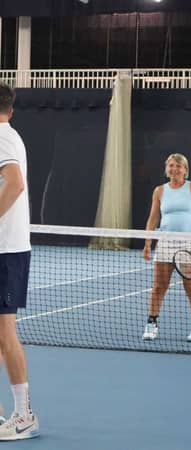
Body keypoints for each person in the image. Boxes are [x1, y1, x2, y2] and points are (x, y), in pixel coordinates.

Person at [0, 83, 39, 440]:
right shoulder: (8, 135)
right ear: (11, 110)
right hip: (6, 248)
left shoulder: (2, 139)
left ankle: (24, 414)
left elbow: (14, 184)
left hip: (6, 250)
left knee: (5, 331)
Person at [142, 153, 191, 342]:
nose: (175, 169)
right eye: (171, 166)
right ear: (167, 169)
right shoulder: (159, 191)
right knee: (158, 287)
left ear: (185, 170)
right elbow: (153, 218)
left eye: (179, 166)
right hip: (165, 243)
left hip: (188, 245)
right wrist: (147, 243)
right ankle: (151, 324)